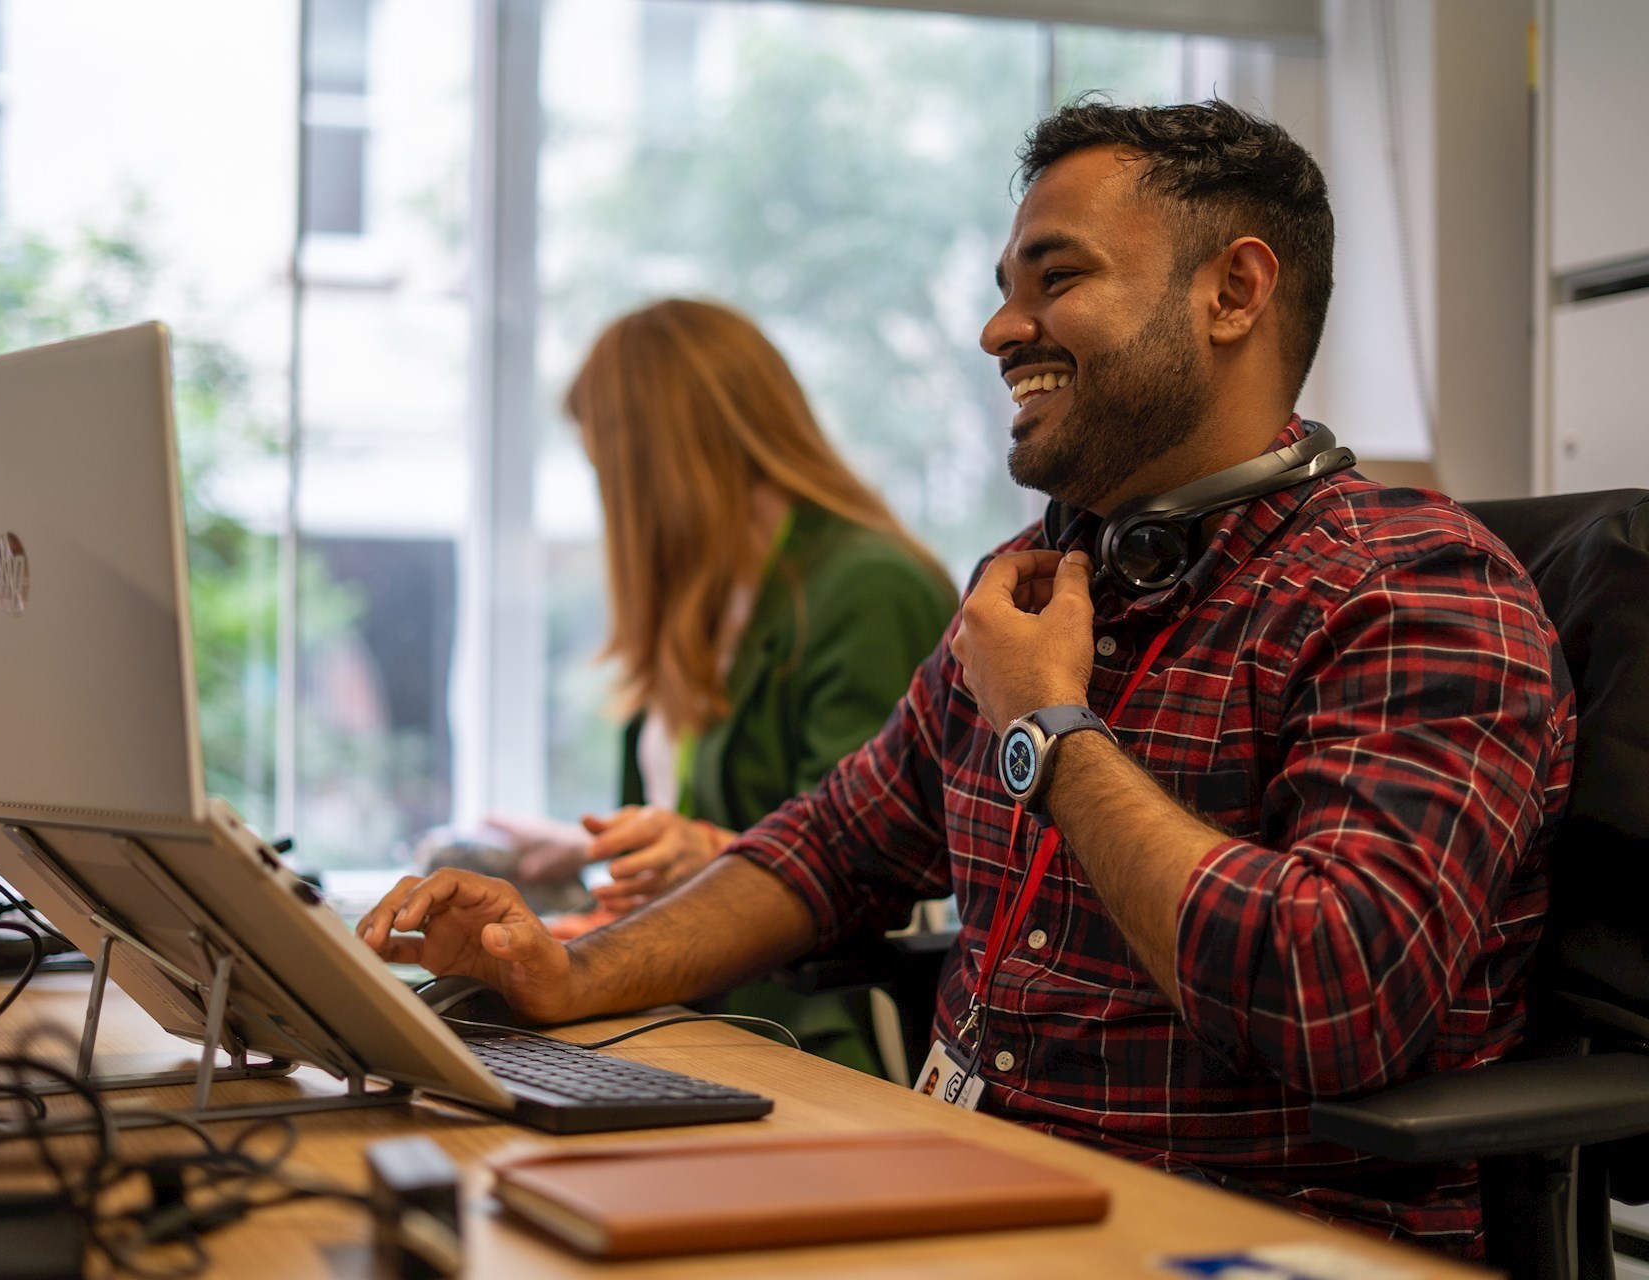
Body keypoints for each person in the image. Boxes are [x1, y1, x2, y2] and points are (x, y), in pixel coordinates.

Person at [358, 101, 1573, 1257]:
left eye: (1059, 278)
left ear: (1233, 291)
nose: (1001, 330)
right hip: (966, 1190)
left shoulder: (1416, 593)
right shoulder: (1036, 580)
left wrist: (1049, 727)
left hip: (1238, 1238)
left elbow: (1334, 993)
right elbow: (832, 849)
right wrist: (571, 972)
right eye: (1004, 292)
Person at [485, 298, 956, 920]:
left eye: (609, 470)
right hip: (696, 983)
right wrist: (594, 849)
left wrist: (702, 856)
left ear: (662, 461)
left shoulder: (870, 589)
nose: (612, 503)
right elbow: (699, 823)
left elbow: (869, 862)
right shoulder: (715, 593)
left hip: (797, 1011)